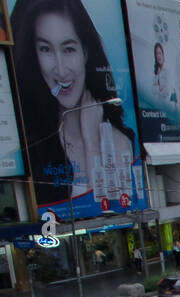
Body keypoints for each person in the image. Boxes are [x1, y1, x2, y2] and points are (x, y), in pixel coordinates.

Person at [13, 0, 138, 206]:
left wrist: (91, 139)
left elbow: (108, 207)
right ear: (33, 56)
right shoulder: (29, 146)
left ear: (85, 52)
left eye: (69, 49)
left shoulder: (119, 141)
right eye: (45, 49)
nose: (61, 70)